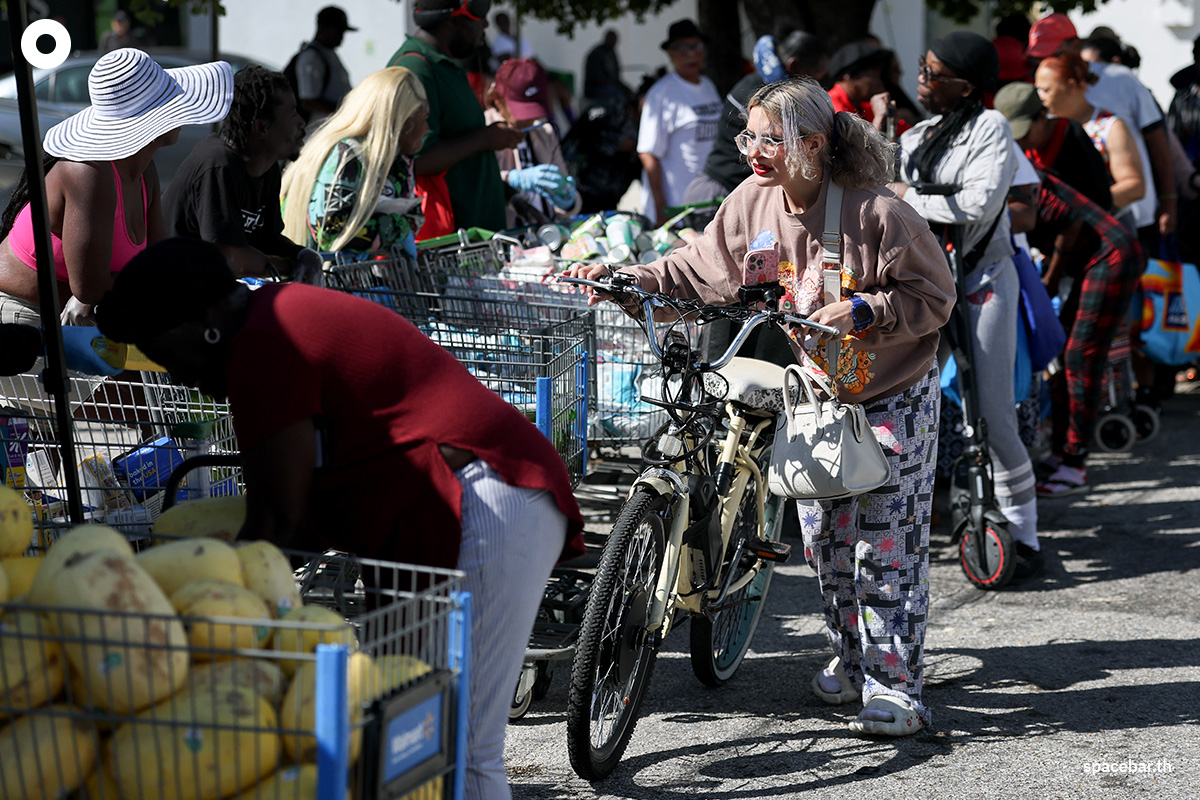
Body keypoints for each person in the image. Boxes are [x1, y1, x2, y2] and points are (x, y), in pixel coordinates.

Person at [96, 237, 584, 800]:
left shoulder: (263, 344)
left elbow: (277, 521)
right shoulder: (264, 326)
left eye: (162, 350)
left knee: (457, 749)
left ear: (204, 319)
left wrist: (208, 625)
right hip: (435, 508)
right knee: (397, 729)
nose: (171, 372)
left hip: (482, 497)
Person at [567, 77, 955, 735]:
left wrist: (869, 307)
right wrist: (631, 282)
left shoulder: (880, 213)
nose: (753, 148)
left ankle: (897, 688)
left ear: (813, 143)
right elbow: (694, 268)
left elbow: (936, 298)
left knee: (884, 546)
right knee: (824, 542)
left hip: (893, 396)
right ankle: (856, 659)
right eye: (749, 135)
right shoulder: (751, 200)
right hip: (818, 393)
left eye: (770, 138)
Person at [896, 31, 1043, 574]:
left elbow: (979, 201)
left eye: (933, 74)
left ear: (965, 85)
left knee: (995, 416)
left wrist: (910, 197)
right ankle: (907, 522)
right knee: (904, 409)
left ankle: (1026, 538)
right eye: (922, 68)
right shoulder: (916, 138)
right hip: (926, 290)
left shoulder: (991, 129)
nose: (923, 81)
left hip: (982, 279)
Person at [0, 48, 233, 328]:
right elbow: (90, 286)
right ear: (151, 119)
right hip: (22, 320)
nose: (181, 115)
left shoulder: (145, 169)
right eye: (172, 105)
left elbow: (157, 261)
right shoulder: (89, 173)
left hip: (73, 320)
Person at [1025, 13, 1175, 243]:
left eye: (1054, 54)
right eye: (1037, 59)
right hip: (1070, 236)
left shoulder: (1120, 82)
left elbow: (1156, 139)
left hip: (1126, 224)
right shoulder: (1045, 110)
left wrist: (1169, 199)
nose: (1045, 63)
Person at [388, 0, 523, 233]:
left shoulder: (443, 65)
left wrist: (512, 198)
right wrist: (486, 139)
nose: (485, 24)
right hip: (449, 242)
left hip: (478, 237)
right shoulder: (415, 68)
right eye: (479, 18)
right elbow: (416, 161)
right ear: (453, 22)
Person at [164, 65, 307, 278]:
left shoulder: (268, 169)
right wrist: (292, 267)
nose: (302, 123)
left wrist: (304, 255)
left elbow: (266, 241)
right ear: (261, 127)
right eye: (293, 113)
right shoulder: (218, 164)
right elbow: (231, 260)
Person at [279, 67, 428, 255]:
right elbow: (331, 232)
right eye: (425, 118)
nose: (427, 128)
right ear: (403, 123)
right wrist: (399, 227)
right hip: (317, 276)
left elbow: (411, 216)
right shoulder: (347, 156)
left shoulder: (395, 161)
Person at [684, 30, 826, 209]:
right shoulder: (763, 97)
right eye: (811, 79)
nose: (753, 152)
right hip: (720, 195)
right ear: (795, 65)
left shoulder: (761, 86)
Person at [1034, 53, 1146, 226]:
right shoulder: (1042, 127)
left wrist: (1084, 207)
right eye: (1038, 90)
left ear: (1070, 87)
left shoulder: (1110, 127)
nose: (1040, 97)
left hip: (1107, 230)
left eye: (1047, 90)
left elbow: (1135, 186)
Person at [636, 19, 722, 224]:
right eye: (682, 47)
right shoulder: (661, 94)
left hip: (705, 204)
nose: (690, 54)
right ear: (670, 53)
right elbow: (648, 154)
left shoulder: (709, 86)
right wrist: (661, 208)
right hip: (676, 209)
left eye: (696, 46)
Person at [483, 59, 580, 225]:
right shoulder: (484, 132)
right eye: (521, 111)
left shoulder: (544, 132)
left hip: (549, 233)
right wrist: (510, 179)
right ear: (498, 99)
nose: (529, 120)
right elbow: (480, 187)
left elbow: (566, 200)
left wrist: (568, 199)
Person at [994, 80, 1112, 210]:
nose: (1020, 141)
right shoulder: (1021, 148)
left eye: (1024, 133)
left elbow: (1098, 199)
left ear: (1042, 117)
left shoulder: (1072, 140)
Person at [289, 5, 356, 127]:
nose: (342, 36)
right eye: (338, 31)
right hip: (316, 133)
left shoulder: (328, 54)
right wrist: (344, 110)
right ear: (324, 29)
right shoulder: (311, 57)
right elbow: (309, 102)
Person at [825, 42, 900, 133]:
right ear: (849, 77)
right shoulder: (831, 109)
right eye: (874, 76)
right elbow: (852, 147)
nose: (880, 83)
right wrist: (879, 119)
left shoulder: (865, 107)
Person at [583, 29, 630, 101]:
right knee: (617, 95)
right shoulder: (596, 54)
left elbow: (616, 77)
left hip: (610, 87)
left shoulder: (612, 53)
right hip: (595, 89)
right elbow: (596, 77)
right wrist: (613, 84)